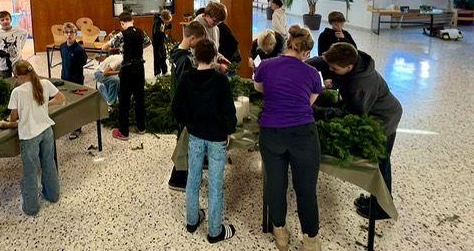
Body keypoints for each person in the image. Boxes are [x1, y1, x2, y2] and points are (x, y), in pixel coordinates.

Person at [253, 25, 323, 251]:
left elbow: (259, 88)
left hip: (271, 132)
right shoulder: (312, 73)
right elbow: (309, 102)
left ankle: (280, 231)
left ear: (288, 43)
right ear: (306, 51)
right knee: (306, 188)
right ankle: (310, 239)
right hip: (303, 133)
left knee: (275, 183)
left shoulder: (265, 65)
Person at [320, 43, 402, 220]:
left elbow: (352, 114)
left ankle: (382, 208)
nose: (330, 70)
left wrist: (322, 112)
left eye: (334, 68)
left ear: (349, 67)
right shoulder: (354, 60)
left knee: (380, 162)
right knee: (381, 161)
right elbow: (322, 61)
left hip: (384, 119)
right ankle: (376, 199)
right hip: (377, 112)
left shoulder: (361, 84)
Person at [172, 38, 237, 243]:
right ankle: (215, 231)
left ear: (194, 56)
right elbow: (228, 110)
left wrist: (189, 122)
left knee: (193, 178)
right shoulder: (220, 80)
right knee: (216, 183)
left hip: (195, 135)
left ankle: (192, 220)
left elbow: (176, 107)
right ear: (215, 57)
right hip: (217, 138)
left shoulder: (186, 77)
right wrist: (229, 130)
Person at [7, 60, 65, 216]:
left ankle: (31, 207)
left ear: (19, 76)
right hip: (46, 130)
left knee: (30, 171)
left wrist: (12, 119)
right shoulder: (44, 83)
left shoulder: (17, 92)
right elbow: (60, 98)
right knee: (49, 163)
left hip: (29, 135)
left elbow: (13, 117)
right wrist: (45, 105)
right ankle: (53, 195)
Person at [168, 21, 207, 191]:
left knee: (183, 140)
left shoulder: (177, 52)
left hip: (179, 105)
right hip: (184, 107)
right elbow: (187, 87)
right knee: (184, 143)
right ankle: (177, 179)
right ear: (191, 39)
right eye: (198, 41)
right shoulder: (184, 61)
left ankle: (186, 174)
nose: (199, 45)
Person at [102, 11, 151, 140]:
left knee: (124, 100)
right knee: (139, 97)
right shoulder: (141, 32)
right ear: (132, 21)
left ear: (122, 23)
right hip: (140, 68)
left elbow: (106, 47)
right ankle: (141, 127)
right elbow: (148, 42)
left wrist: (109, 45)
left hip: (127, 69)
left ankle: (123, 132)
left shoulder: (121, 35)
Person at [60, 22, 88, 139]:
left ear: (76, 34)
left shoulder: (79, 49)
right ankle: (69, 124)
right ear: (64, 34)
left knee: (76, 104)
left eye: (71, 32)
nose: (69, 35)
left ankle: (77, 128)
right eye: (66, 32)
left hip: (76, 81)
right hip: (65, 79)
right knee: (67, 102)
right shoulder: (62, 47)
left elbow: (84, 62)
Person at [0, 11, 28, 79]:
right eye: (2, 20)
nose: (5, 21)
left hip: (17, 62)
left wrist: (21, 46)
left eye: (7, 19)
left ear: (11, 20)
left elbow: (26, 34)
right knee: (5, 81)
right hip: (4, 63)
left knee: (20, 80)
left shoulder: (17, 30)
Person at [152, 9, 173, 76]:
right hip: (157, 42)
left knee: (163, 56)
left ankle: (164, 71)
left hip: (160, 42)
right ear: (164, 18)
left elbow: (162, 30)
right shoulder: (158, 22)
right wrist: (164, 36)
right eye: (167, 21)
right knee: (158, 57)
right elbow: (157, 33)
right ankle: (157, 72)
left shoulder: (161, 22)